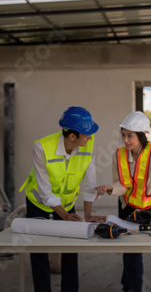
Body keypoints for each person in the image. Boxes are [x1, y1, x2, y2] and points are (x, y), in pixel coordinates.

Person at [19, 106, 106, 292]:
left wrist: (88, 214)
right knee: (39, 250)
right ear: (72, 136)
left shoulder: (88, 146)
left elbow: (90, 183)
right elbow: (45, 192)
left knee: (70, 247)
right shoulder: (42, 147)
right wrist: (65, 216)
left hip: (67, 204)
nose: (90, 137)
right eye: (86, 134)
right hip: (38, 203)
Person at [97, 111, 151, 292]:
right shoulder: (118, 154)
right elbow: (121, 184)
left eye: (130, 136)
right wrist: (110, 189)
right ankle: (126, 284)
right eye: (123, 135)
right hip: (125, 207)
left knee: (135, 252)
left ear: (141, 136)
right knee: (127, 249)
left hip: (145, 210)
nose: (125, 140)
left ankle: (132, 288)